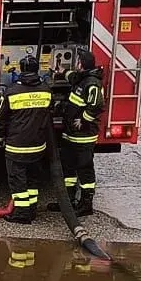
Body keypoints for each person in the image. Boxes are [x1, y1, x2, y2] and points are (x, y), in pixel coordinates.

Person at [0, 53, 52, 224]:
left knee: (18, 181)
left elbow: (0, 120)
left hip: (17, 146)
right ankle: (32, 210)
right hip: (38, 146)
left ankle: (22, 214)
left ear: (22, 70)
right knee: (32, 179)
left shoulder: (12, 92)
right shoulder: (46, 91)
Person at [59, 47, 105, 215]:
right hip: (71, 135)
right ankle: (68, 202)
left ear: (83, 64)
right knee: (68, 169)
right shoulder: (81, 78)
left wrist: (83, 120)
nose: (76, 64)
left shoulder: (92, 83)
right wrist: (62, 71)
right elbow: (72, 77)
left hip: (83, 137)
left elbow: (97, 105)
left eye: (78, 61)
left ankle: (86, 205)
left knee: (84, 169)